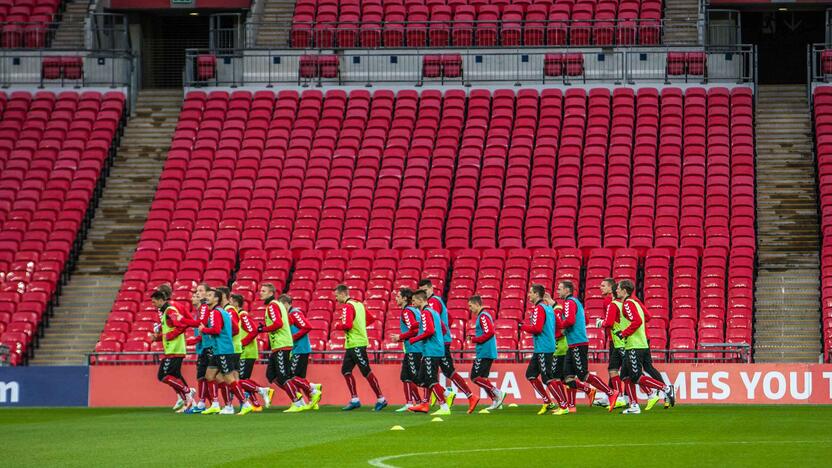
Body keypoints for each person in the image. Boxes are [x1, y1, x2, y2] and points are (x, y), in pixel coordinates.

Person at [616, 280, 676, 414]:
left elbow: (636, 321)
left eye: (618, 288)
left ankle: (666, 388)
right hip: (638, 344)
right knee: (625, 376)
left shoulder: (627, 304)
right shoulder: (635, 302)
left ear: (625, 290)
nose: (616, 290)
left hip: (634, 345)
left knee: (636, 376)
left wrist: (623, 333)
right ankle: (634, 406)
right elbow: (646, 317)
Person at [558, 280, 619, 412]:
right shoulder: (576, 302)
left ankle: (610, 392)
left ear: (567, 290)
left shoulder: (569, 302)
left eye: (560, 289)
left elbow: (569, 320)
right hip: (574, 343)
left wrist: (560, 327)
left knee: (583, 375)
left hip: (577, 343)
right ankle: (573, 405)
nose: (558, 291)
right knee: (567, 376)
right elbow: (585, 319)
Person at [418, 279, 474, 408]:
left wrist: (439, 335)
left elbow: (437, 323)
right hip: (439, 342)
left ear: (431, 288)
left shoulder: (432, 303)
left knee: (446, 371)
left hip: (439, 344)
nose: (424, 293)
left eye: (426, 290)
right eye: (422, 291)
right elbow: (449, 318)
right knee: (431, 371)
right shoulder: (437, 301)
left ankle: (467, 395)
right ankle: (426, 401)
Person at [333, 284, 387, 411]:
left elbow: (347, 325)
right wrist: (360, 326)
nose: (336, 299)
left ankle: (381, 399)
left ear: (342, 294)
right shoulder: (359, 304)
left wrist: (337, 325)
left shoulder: (347, 306)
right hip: (352, 344)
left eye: (336, 296)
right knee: (346, 370)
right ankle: (355, 399)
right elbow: (371, 319)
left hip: (356, 344)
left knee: (366, 371)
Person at [200, 289, 253, 415]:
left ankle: (245, 403)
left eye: (209, 295)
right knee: (209, 375)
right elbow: (234, 328)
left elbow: (216, 330)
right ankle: (217, 404)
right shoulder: (220, 312)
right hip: (219, 349)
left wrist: (204, 329)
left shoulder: (215, 313)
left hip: (223, 350)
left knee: (229, 378)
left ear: (217, 299)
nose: (206, 297)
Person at [259, 283, 306, 413]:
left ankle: (297, 402)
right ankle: (298, 397)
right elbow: (286, 321)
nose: (260, 293)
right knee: (271, 375)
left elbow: (278, 324)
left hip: (281, 345)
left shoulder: (273, 306)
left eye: (263, 291)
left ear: (270, 293)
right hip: (278, 345)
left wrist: (264, 329)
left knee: (283, 376)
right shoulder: (278, 305)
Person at [521, 284, 567, 415]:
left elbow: (537, 328)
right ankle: (547, 401)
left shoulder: (539, 309)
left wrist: (522, 326)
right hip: (545, 346)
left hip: (543, 348)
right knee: (530, 375)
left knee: (547, 378)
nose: (529, 295)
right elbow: (559, 325)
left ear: (536, 294)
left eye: (531, 292)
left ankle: (564, 405)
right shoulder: (549, 308)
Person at [407, 290, 452, 416]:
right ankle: (445, 394)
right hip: (434, 349)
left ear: (421, 300)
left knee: (431, 379)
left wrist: (414, 339)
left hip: (431, 351)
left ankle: (443, 406)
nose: (412, 302)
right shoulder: (434, 313)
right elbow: (443, 329)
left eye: (414, 300)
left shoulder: (426, 313)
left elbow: (430, 331)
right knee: (421, 379)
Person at [150, 290, 195, 412]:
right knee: (175, 376)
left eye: (154, 302)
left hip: (175, 350)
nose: (153, 305)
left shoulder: (170, 311)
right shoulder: (165, 312)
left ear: (160, 300)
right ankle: (187, 402)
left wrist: (171, 335)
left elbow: (181, 325)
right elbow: (169, 331)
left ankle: (187, 391)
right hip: (172, 350)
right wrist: (158, 338)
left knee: (163, 376)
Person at [232, 293, 273, 412]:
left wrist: (242, 343)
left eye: (230, 301)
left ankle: (263, 391)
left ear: (235, 303)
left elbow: (253, 331)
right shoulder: (237, 316)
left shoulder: (242, 315)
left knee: (240, 380)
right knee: (244, 381)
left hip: (247, 352)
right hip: (243, 352)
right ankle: (256, 404)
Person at [282, 294, 323, 409]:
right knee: (300, 377)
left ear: (286, 303)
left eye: (281, 305)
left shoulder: (294, 313)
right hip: (299, 349)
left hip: (300, 349)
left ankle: (313, 389)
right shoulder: (290, 314)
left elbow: (307, 326)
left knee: (291, 376)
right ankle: (313, 402)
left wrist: (293, 338)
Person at [467, 295, 504, 414]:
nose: (469, 308)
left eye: (470, 306)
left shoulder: (483, 316)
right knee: (483, 378)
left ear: (477, 304)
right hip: (486, 351)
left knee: (474, 377)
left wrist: (474, 340)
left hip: (485, 352)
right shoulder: (483, 316)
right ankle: (495, 400)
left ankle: (497, 392)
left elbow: (490, 332)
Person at [389, 288, 423, 412]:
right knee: (405, 377)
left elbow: (413, 330)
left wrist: (400, 337)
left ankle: (446, 393)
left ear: (404, 298)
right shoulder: (415, 310)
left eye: (398, 296)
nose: (396, 298)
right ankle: (411, 403)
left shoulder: (407, 312)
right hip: (413, 348)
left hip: (414, 348)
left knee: (418, 379)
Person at [595, 278, 627, 410]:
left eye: (603, 286)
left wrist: (601, 322)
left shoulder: (609, 301)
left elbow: (610, 321)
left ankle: (620, 396)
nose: (600, 287)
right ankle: (609, 395)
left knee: (615, 369)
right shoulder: (616, 301)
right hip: (615, 339)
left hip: (616, 340)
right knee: (613, 369)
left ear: (611, 288)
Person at [182, 283, 213, 414]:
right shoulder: (199, 312)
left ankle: (207, 403)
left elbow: (204, 332)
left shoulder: (206, 311)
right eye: (196, 291)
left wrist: (188, 341)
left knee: (210, 377)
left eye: (200, 291)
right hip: (202, 348)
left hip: (209, 347)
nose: (197, 294)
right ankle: (207, 403)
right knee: (204, 377)